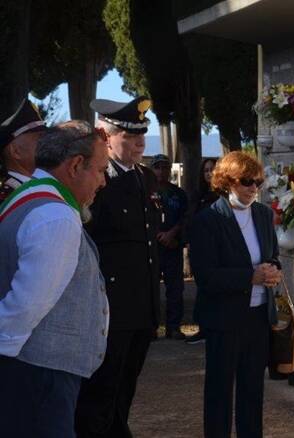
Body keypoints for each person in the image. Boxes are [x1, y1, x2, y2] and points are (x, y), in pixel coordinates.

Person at [0, 121, 110, 437]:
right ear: (76, 165)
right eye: (100, 170)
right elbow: (25, 305)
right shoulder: (55, 215)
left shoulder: (28, 196)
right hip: (38, 372)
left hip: (34, 370)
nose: (103, 181)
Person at [75, 96, 162, 438]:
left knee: (124, 392)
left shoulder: (145, 178)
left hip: (141, 310)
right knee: (99, 398)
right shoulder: (98, 181)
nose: (140, 143)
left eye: (142, 135)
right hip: (109, 311)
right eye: (130, 136)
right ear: (107, 137)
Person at [188, 151, 282, 438]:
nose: (254, 188)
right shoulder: (208, 219)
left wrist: (273, 270)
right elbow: (205, 276)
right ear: (227, 181)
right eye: (246, 182)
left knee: (252, 391)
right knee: (219, 392)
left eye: (257, 182)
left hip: (257, 316)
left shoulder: (264, 214)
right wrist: (250, 276)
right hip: (223, 319)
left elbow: (273, 255)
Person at [151, 154, 189, 340]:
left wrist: (173, 234)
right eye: (157, 167)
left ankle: (173, 327)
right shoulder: (146, 192)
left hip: (172, 246)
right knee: (151, 289)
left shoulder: (178, 193)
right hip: (152, 248)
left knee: (175, 289)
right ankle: (151, 327)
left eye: (164, 167)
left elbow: (185, 218)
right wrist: (157, 234)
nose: (161, 171)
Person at [185, 157, 218, 345]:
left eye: (212, 169)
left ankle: (211, 328)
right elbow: (190, 220)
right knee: (202, 289)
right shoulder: (198, 195)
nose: (209, 174)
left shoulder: (223, 196)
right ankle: (203, 328)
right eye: (206, 170)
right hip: (198, 248)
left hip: (215, 249)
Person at [0, 98, 47, 202]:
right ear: (16, 151)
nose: (47, 142)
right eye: (39, 138)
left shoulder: (35, 188)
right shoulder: (10, 197)